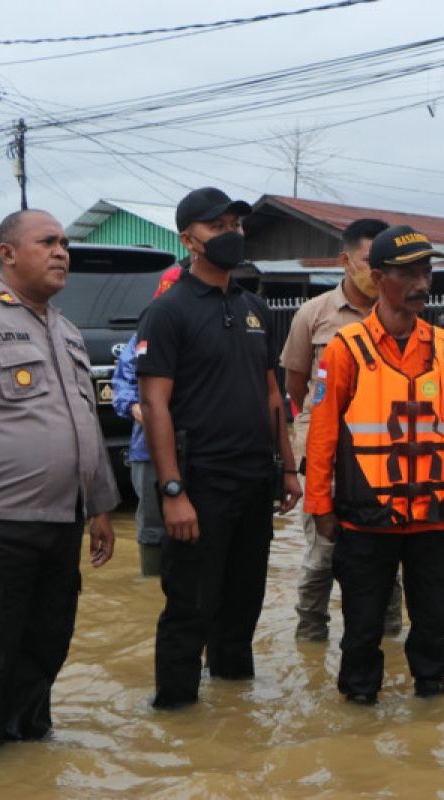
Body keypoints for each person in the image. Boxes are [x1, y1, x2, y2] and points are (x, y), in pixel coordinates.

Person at [0, 209, 118, 770]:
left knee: (43, 652)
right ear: (8, 254)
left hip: (58, 528)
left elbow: (85, 424)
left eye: (64, 243)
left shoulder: (67, 331)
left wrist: (100, 506)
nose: (62, 251)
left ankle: (28, 770)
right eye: (47, 242)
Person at [304, 224, 444, 704]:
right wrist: (320, 506)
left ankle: (431, 692)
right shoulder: (346, 350)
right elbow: (322, 436)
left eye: (426, 271)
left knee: (435, 620)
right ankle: (360, 704)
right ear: (378, 277)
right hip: (366, 517)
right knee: (362, 626)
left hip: (433, 514)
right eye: (408, 273)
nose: (422, 283)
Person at [136, 187, 302, 710]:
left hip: (256, 480)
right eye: (217, 226)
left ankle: (233, 717)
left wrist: (289, 469)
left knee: (244, 603)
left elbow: (273, 392)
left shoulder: (254, 307)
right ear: (189, 240)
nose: (230, 234)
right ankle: (177, 719)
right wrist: (172, 491)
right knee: (190, 605)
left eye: (235, 224)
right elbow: (155, 405)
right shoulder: (169, 312)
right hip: (200, 481)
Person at [279, 218, 403, 642]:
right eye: (370, 261)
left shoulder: (401, 313)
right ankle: (311, 636)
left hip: (388, 453)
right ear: (345, 262)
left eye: (385, 262)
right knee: (322, 552)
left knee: (388, 551)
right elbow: (297, 388)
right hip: (325, 453)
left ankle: (388, 636)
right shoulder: (313, 315)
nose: (377, 271)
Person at [111, 265, 182, 577]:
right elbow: (121, 387)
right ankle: (152, 580)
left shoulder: (209, 332)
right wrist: (136, 407)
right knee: (153, 523)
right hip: (147, 447)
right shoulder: (142, 338)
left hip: (202, 448)